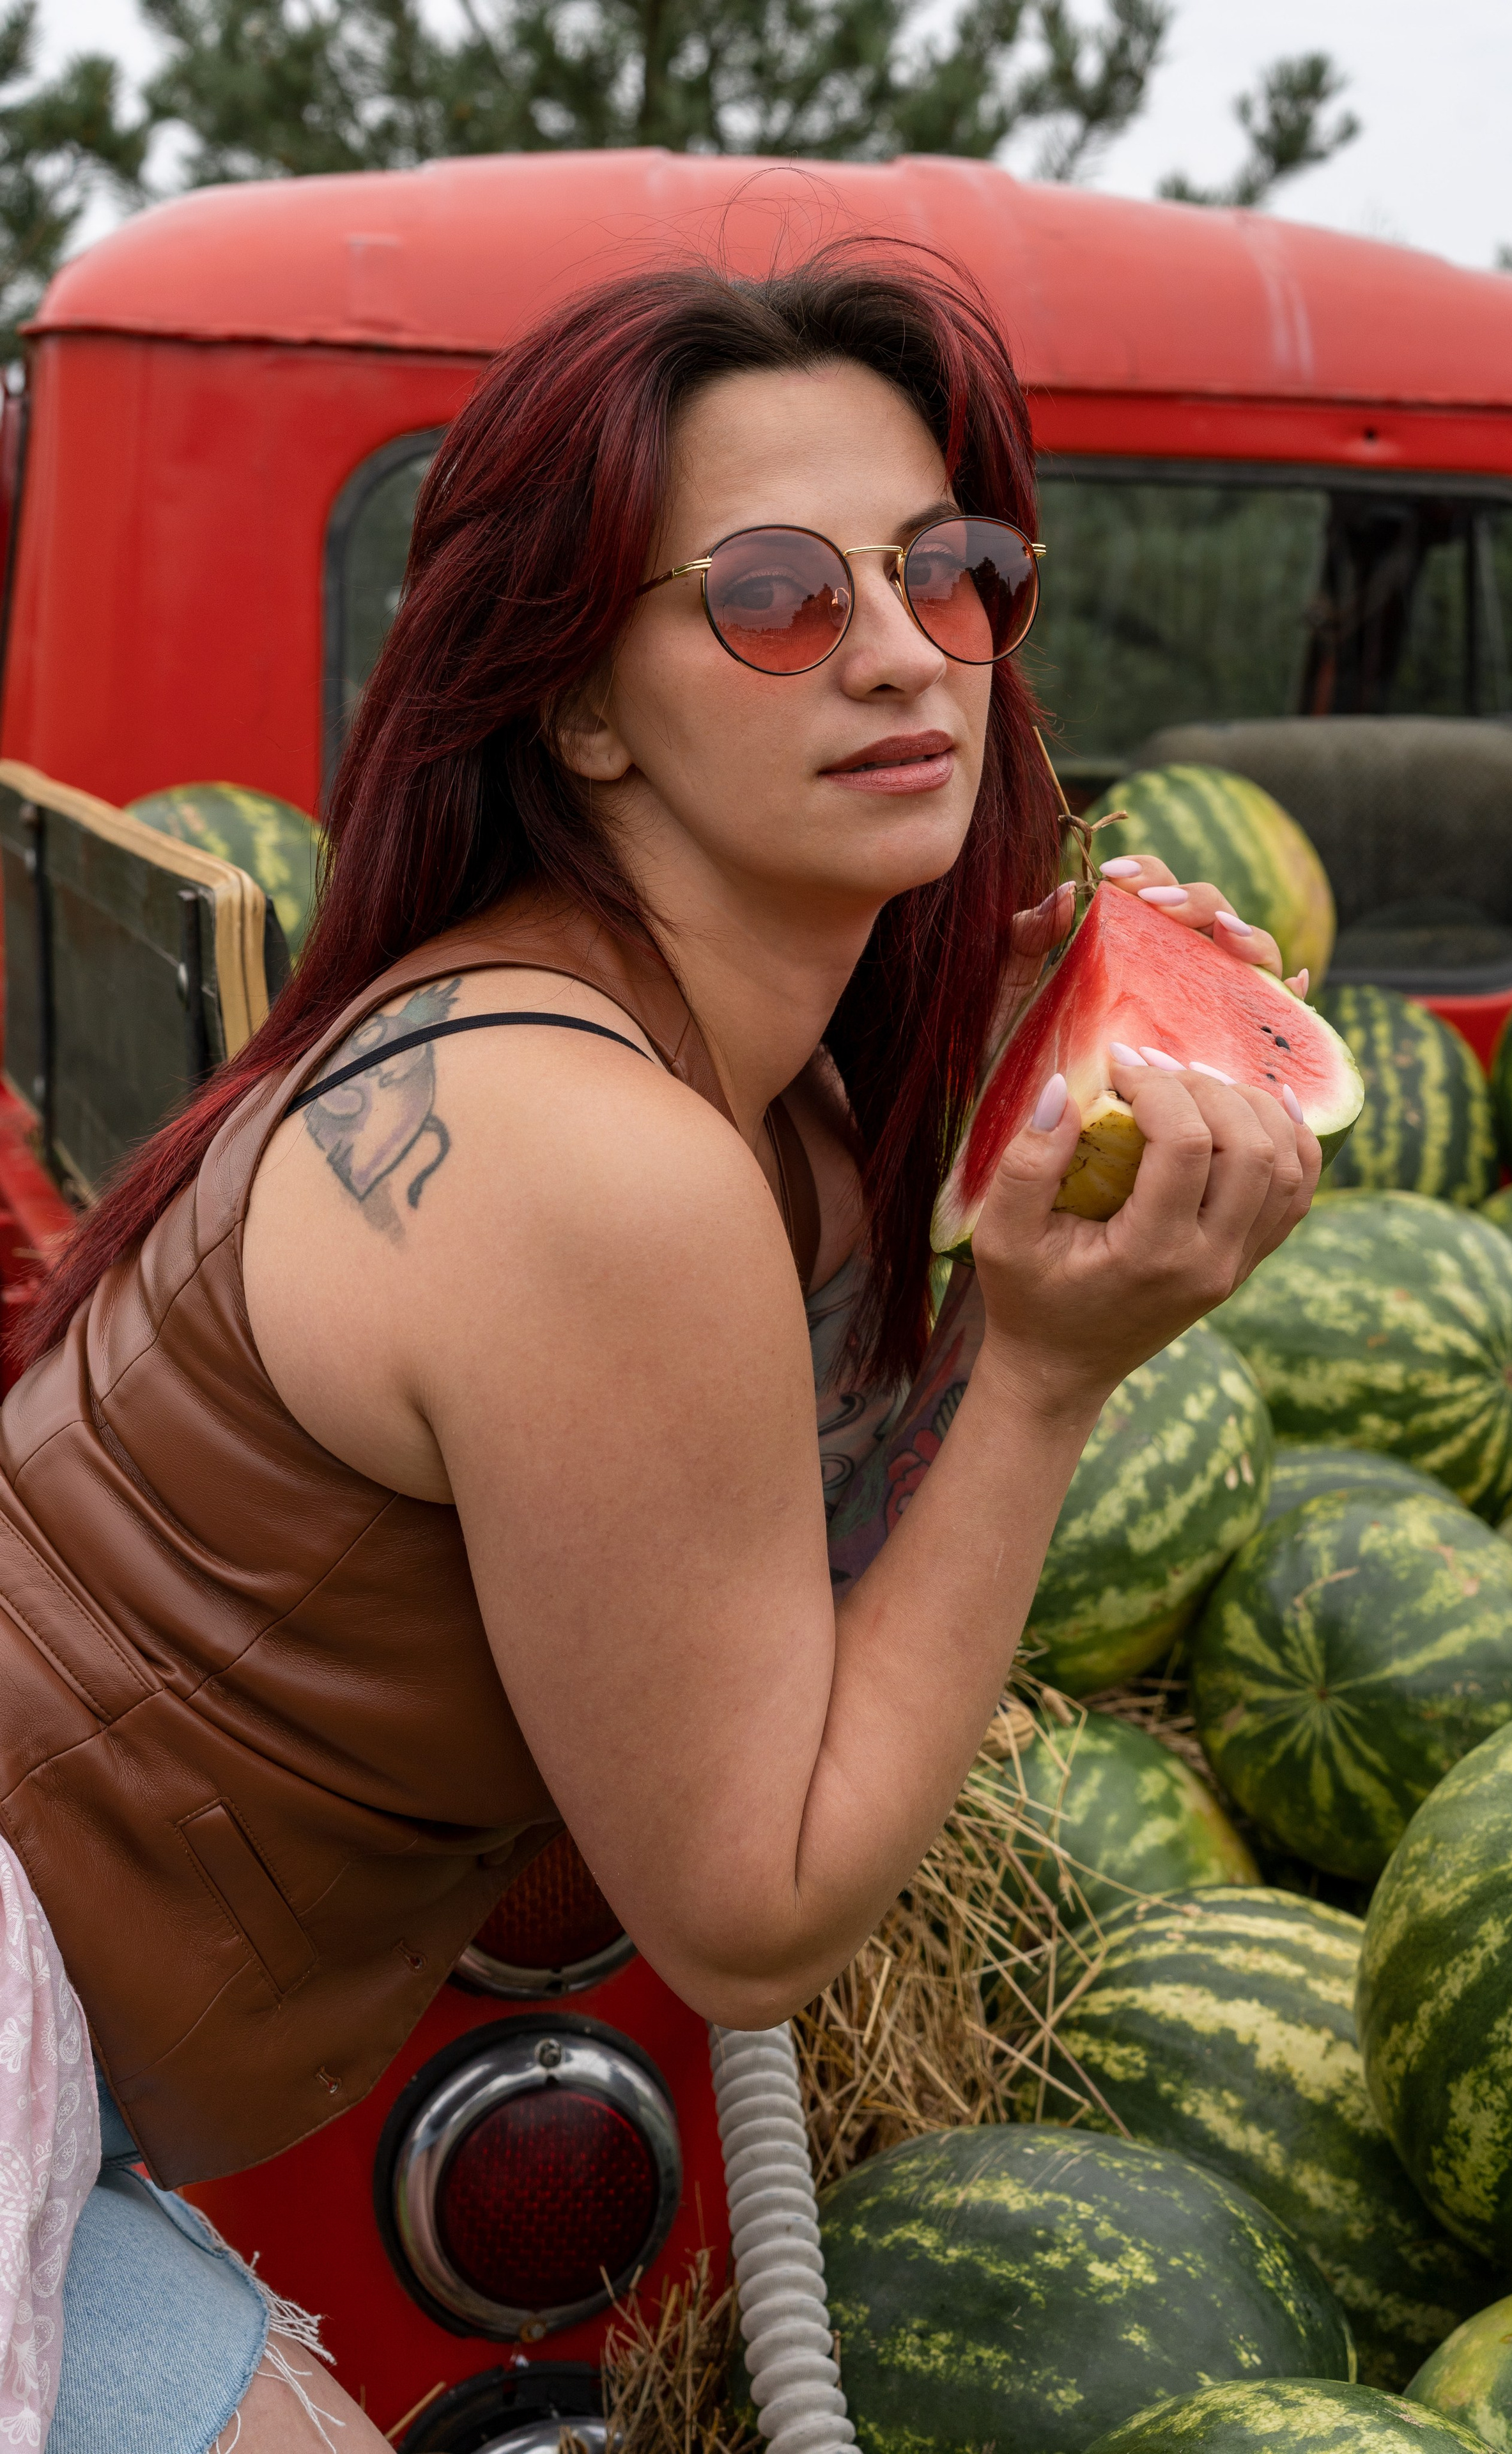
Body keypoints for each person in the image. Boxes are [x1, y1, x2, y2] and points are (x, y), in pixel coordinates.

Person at [0, 243, 1316, 2452]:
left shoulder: (742, 1104)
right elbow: (755, 1921)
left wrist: (1012, 1118)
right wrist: (1050, 1375)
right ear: (582, 709)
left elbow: (774, 1594)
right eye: (777, 595)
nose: (901, 649)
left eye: (951, 572)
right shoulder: (601, 1159)